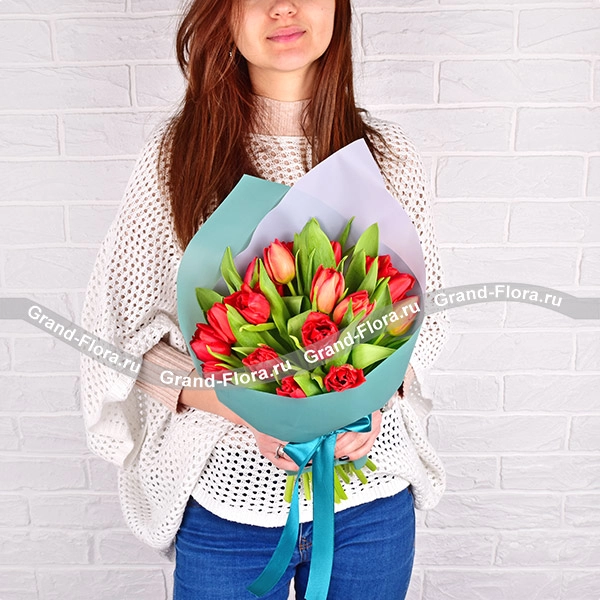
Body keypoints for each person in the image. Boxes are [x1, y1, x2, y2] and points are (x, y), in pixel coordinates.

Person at [79, 0, 450, 598]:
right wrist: (250, 410)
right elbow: (120, 346)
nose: (284, 7)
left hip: (372, 505)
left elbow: (420, 325)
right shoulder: (178, 158)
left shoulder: (388, 157)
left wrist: (368, 405)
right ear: (223, 14)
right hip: (227, 513)